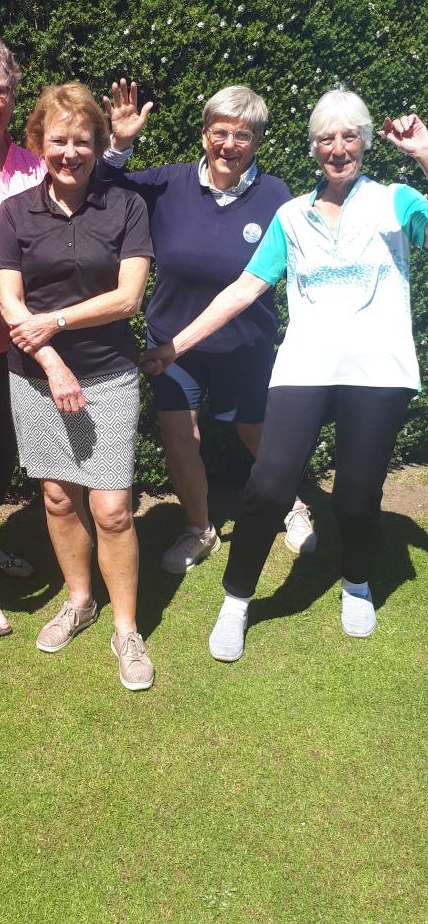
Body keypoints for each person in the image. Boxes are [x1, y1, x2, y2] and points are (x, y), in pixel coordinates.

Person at [142, 91, 428, 659]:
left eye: (349, 137)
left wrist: (424, 154)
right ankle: (236, 601)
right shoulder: (291, 215)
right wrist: (175, 347)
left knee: (356, 497)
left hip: (378, 371)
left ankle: (356, 582)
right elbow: (244, 290)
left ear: (367, 143)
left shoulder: (396, 202)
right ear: (314, 148)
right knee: (269, 486)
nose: (338, 149)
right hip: (304, 367)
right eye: (326, 138)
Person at [0, 35, 137, 634]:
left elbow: (85, 191)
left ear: (14, 96)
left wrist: (118, 147)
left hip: (26, 342)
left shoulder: (29, 160)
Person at [101, 81, 315, 573]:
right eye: (220, 132)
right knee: (181, 438)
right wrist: (120, 146)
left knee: (257, 432)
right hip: (171, 342)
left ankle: (292, 503)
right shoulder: (168, 184)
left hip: (245, 343)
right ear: (204, 134)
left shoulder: (275, 195)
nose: (229, 145)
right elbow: (100, 191)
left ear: (257, 142)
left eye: (243, 135)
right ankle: (199, 529)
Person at [0, 82, 155, 690]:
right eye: (58, 140)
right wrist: (52, 361)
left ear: (97, 144)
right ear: (38, 142)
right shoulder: (15, 213)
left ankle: (127, 629)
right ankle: (80, 601)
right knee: (59, 498)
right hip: (36, 378)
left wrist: (56, 322)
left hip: (109, 373)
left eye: (82, 141)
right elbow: (9, 300)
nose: (70, 152)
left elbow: (128, 297)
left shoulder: (126, 206)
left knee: (112, 508)